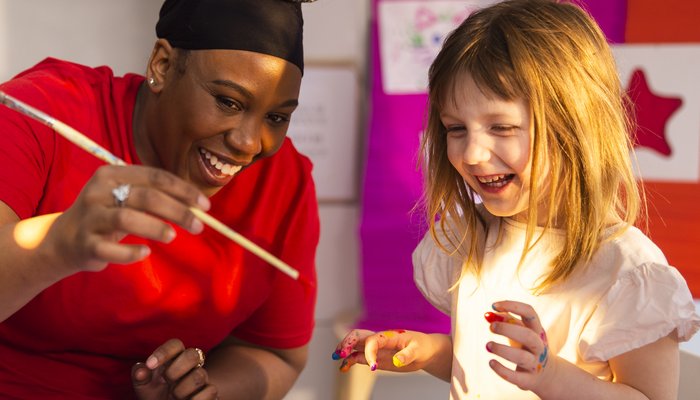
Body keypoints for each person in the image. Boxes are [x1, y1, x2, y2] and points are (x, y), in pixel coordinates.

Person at [333, 0, 700, 399]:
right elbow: (483, 366)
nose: (471, 153)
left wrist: (550, 377)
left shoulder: (628, 273)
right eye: (456, 128)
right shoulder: (468, 238)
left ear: (574, 128)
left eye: (501, 127)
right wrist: (427, 352)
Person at [0, 0, 320, 399]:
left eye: (276, 118)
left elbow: (275, 353)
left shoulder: (282, 181)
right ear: (163, 65)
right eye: (228, 102)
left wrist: (201, 390)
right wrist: (56, 245)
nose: (248, 143)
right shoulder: (44, 111)